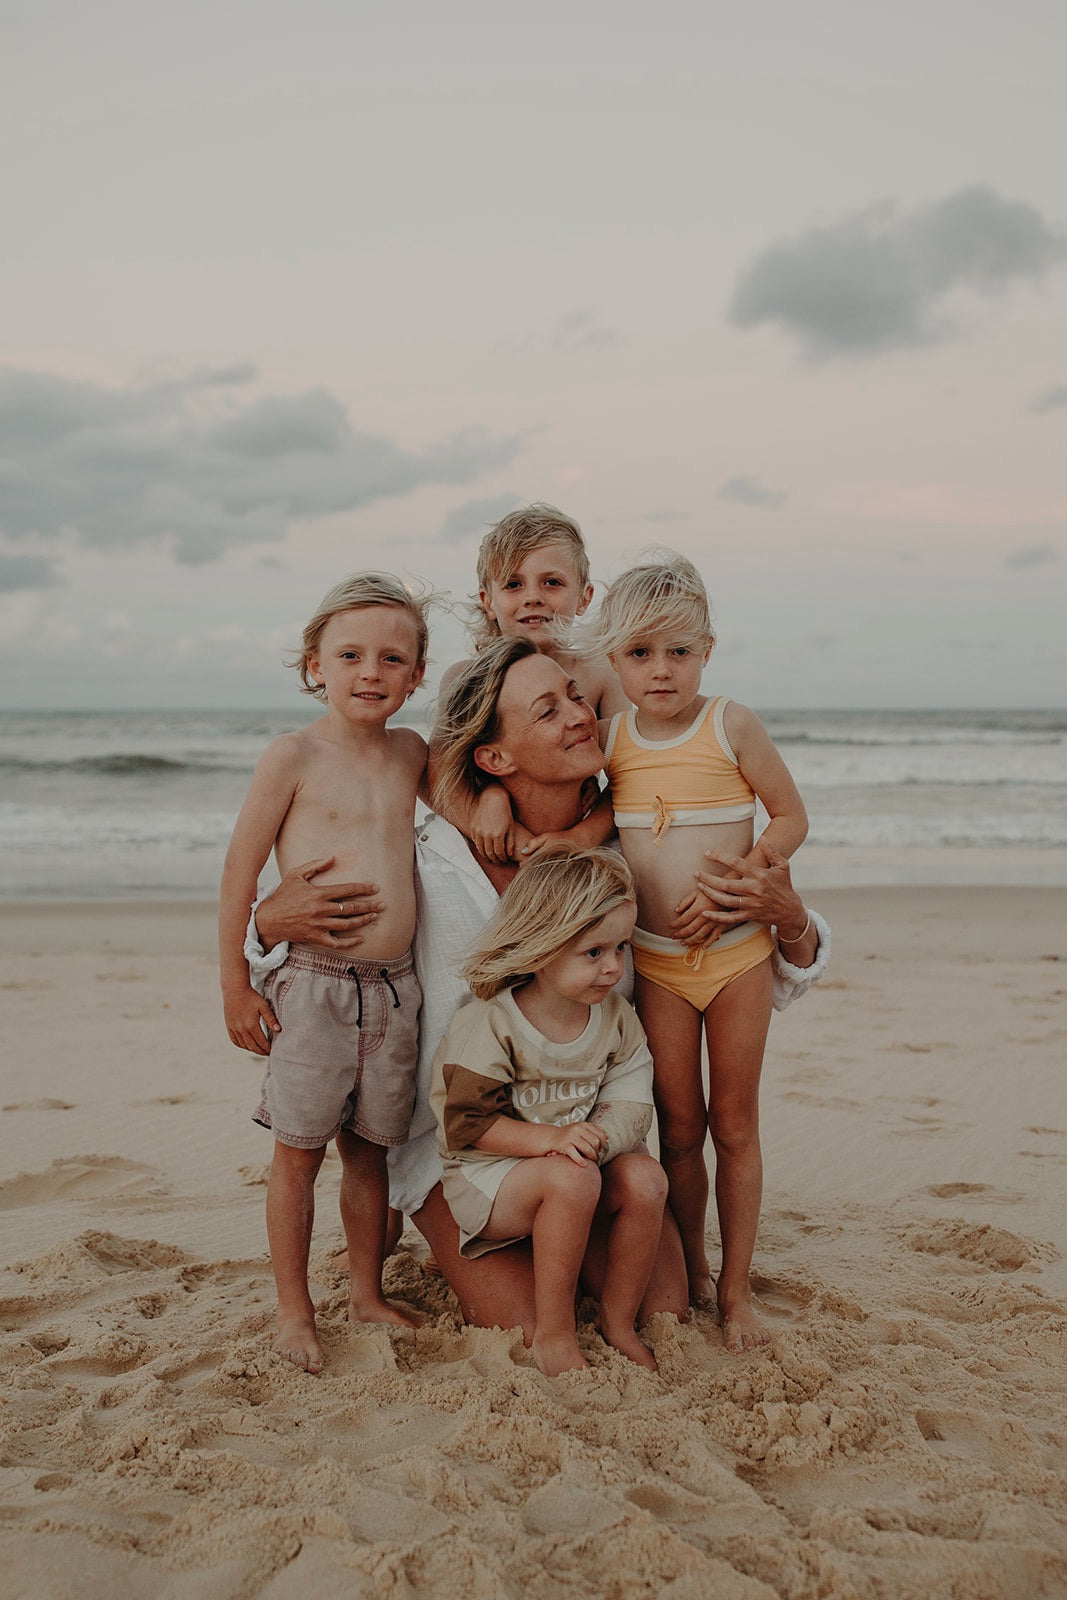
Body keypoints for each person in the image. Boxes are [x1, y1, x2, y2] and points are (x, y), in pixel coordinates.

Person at [249, 636, 830, 1353]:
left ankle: (584, 1234)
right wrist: (265, 925)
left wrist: (792, 920)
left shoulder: (623, 850)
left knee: (664, 1312)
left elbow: (744, 963)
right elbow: (332, 952)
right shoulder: (431, 853)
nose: (580, 716)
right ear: (494, 758)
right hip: (463, 1148)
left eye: (575, 697)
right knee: (526, 1328)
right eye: (547, 711)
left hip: (587, 1134)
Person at [586, 552, 810, 1351]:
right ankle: (695, 1267)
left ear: (706, 649)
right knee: (678, 1128)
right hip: (657, 964)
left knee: (734, 1124)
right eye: (641, 654)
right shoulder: (610, 741)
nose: (661, 670)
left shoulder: (731, 724)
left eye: (679, 651)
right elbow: (587, 829)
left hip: (738, 956)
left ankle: (740, 1289)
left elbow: (788, 818)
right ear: (613, 660)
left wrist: (743, 882)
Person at [219, 572, 431, 1374]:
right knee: (299, 1154)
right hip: (311, 984)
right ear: (315, 665)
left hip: (395, 987)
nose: (369, 672)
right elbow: (239, 874)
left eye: (391, 658)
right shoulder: (293, 755)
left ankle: (366, 1291)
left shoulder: (414, 753)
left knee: (370, 1152)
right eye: (349, 655)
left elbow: (470, 818)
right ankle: (293, 1310)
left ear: (415, 676)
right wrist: (237, 982)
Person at [432, 848, 668, 1375]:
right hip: (492, 1176)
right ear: (541, 946)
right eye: (593, 952)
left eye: (621, 948)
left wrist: (594, 1139)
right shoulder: (491, 1024)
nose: (613, 967)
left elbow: (633, 1101)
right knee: (571, 1181)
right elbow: (466, 1124)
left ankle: (617, 1321)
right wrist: (552, 1143)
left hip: (577, 1162)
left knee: (647, 1179)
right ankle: (554, 1335)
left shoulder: (616, 1018)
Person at [431, 503, 626, 865]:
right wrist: (488, 799)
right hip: (495, 849)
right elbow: (439, 773)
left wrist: (581, 837)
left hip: (580, 842)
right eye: (513, 584)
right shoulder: (465, 679)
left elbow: (633, 777)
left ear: (584, 597)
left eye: (551, 582)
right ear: (488, 601)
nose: (532, 597)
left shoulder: (602, 675)